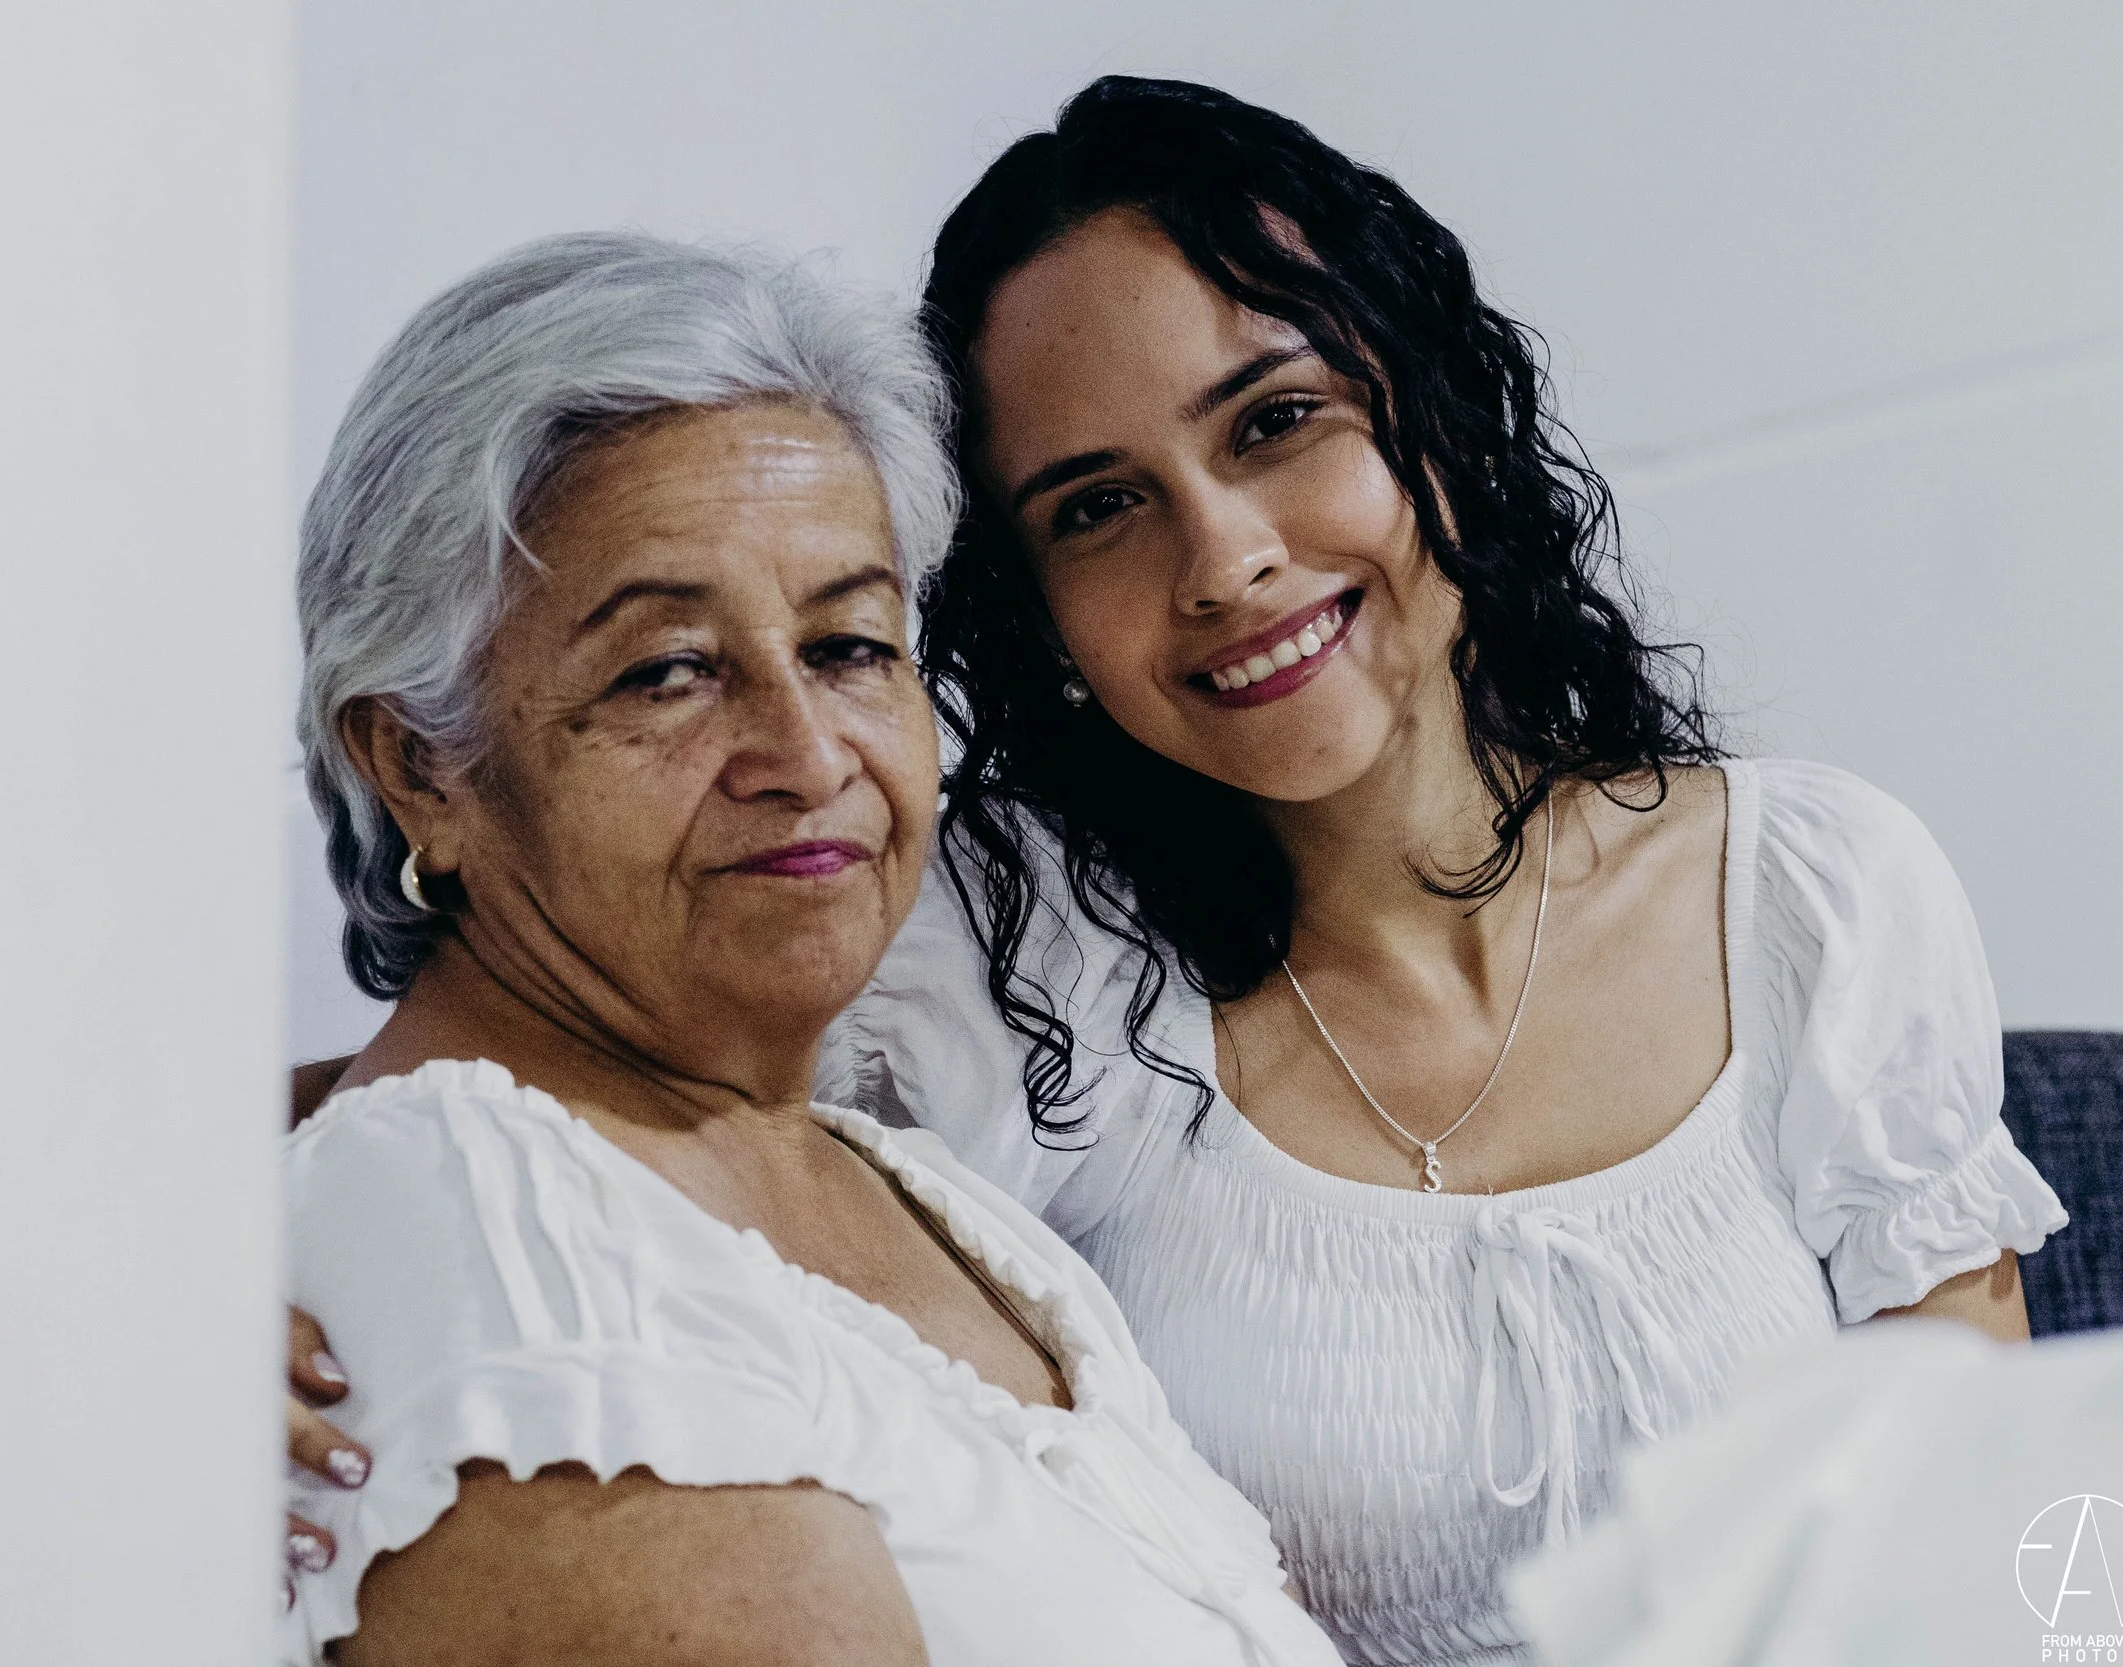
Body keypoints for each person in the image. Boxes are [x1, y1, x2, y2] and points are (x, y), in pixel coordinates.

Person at [291, 79, 2068, 1666]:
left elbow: (1994, 1558)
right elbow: (547, 1084)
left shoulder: (1819, 894)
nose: (1224, 560)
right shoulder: (1003, 958)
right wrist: (218, 1284)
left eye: (1275, 421)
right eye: (1095, 506)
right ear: (1033, 609)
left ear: (1428, 412)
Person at [277, 230, 1340, 1667]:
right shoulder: (499, 1226)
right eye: (666, 671)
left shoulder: (913, 1190)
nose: (802, 752)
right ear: (418, 768)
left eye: (850, 646)